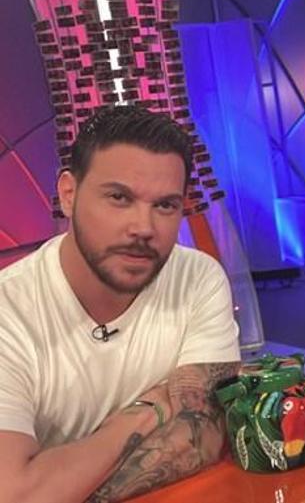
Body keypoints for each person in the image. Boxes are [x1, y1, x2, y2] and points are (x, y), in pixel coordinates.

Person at [0, 105, 241, 503]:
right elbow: (15, 494)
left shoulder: (198, 277)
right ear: (68, 194)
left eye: (165, 205)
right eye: (119, 197)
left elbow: (206, 430)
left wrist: (56, 483)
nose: (143, 228)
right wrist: (150, 411)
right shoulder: (9, 311)